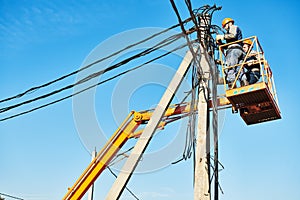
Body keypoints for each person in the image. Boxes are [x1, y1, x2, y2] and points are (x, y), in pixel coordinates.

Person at [216, 18, 243, 87]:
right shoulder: (232, 34)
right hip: (238, 50)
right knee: (239, 68)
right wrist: (221, 44)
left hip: (233, 50)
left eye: (225, 26)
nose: (225, 28)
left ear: (229, 23)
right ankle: (244, 81)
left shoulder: (233, 27)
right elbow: (228, 45)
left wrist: (222, 37)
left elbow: (232, 35)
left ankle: (231, 82)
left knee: (230, 66)